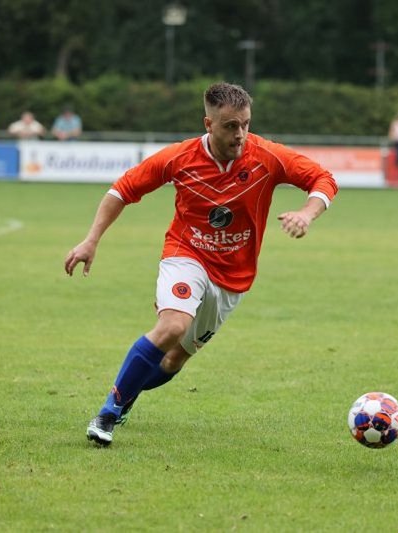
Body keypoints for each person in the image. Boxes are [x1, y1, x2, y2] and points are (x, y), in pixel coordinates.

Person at [64, 82, 338, 447]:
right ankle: (107, 414)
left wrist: (307, 213)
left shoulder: (266, 156)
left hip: (234, 277)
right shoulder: (179, 158)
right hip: (186, 254)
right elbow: (123, 190)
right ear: (208, 124)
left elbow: (324, 179)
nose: (240, 133)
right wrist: (91, 239)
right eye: (230, 125)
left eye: (245, 124)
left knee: (173, 360)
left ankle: (127, 394)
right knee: (172, 326)